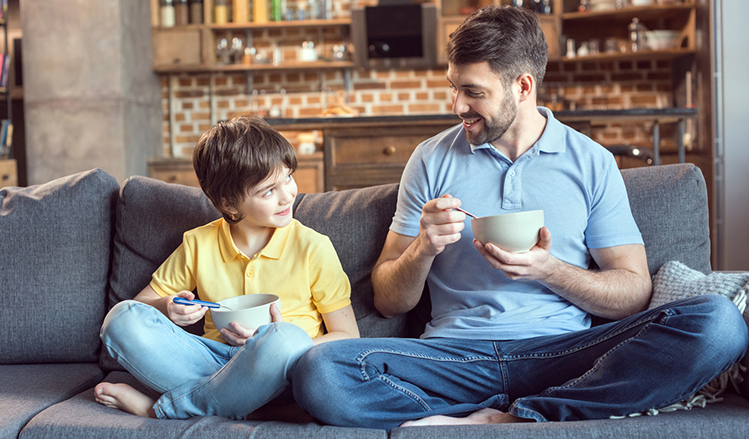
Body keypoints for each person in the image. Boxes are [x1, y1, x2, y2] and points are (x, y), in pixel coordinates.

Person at [291, 6, 748, 430]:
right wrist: (423, 247)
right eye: (454, 87)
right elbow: (390, 300)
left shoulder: (591, 162)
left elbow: (632, 293)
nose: (457, 105)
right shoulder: (430, 160)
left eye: (474, 92)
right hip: (453, 359)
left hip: (564, 355)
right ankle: (530, 408)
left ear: (523, 86)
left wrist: (552, 272)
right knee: (320, 371)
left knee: (719, 323)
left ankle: (518, 418)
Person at [94, 115, 360, 420]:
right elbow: (140, 305)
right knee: (121, 318)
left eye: (287, 177)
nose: (288, 194)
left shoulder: (313, 246)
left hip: (281, 368)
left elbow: (347, 335)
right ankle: (236, 403)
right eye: (268, 191)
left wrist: (267, 343)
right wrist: (168, 307)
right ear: (230, 203)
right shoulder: (198, 244)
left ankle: (162, 410)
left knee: (288, 338)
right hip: (211, 362)